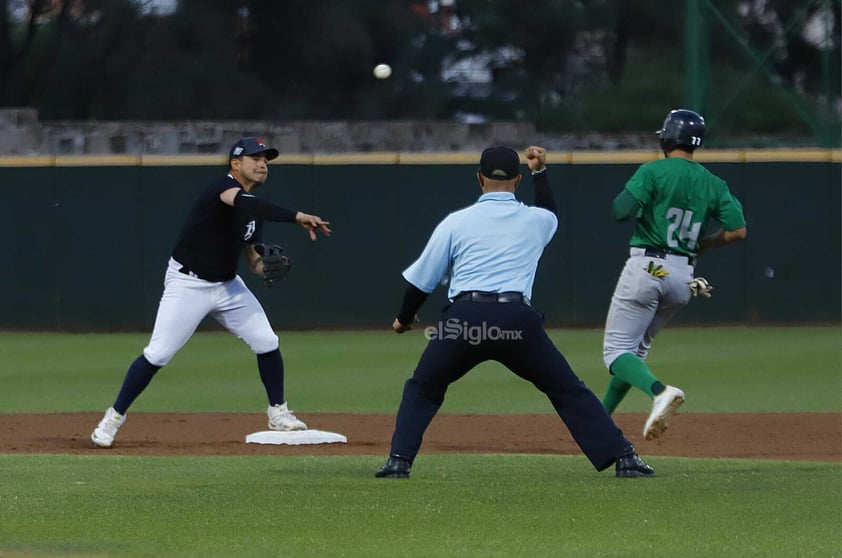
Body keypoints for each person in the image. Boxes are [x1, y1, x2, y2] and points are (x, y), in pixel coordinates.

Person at [375, 145, 655, 479]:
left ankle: (398, 461)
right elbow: (550, 213)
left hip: (465, 321)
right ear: (517, 180)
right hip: (517, 322)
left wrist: (403, 319)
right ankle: (624, 457)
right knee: (566, 388)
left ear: (479, 179)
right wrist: (541, 173)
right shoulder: (536, 221)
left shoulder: (456, 222)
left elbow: (421, 283)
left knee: (423, 386)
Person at [91, 137, 331, 448]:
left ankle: (278, 413)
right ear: (235, 164)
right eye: (255, 158)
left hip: (227, 285)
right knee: (159, 353)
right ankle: (113, 418)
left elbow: (252, 255)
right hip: (188, 284)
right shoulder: (223, 187)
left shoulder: (252, 210)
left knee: (267, 341)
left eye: (266, 160)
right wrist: (297, 216)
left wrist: (264, 266)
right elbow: (244, 203)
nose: (262, 164)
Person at [601, 109, 747, 441]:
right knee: (635, 352)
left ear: (666, 138)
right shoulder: (713, 183)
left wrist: (649, 201)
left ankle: (659, 391)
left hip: (648, 266)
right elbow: (738, 231)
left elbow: (620, 211)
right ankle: (598, 419)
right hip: (683, 277)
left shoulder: (653, 171)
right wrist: (705, 244)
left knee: (615, 352)